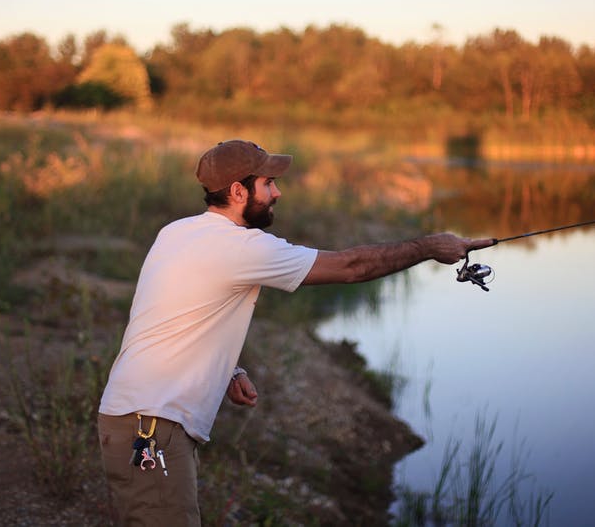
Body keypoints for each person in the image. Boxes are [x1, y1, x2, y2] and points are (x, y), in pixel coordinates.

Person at [97, 139, 494, 525]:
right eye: (268, 183)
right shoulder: (241, 247)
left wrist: (228, 369)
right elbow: (351, 267)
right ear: (238, 191)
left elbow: (173, 312)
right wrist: (429, 246)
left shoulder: (178, 232)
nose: (278, 192)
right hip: (151, 427)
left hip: (138, 419)